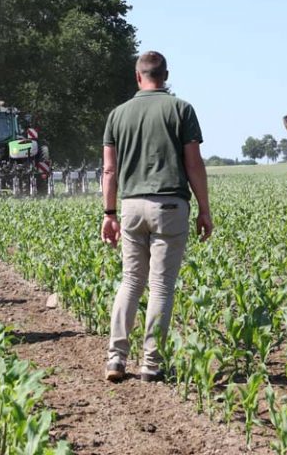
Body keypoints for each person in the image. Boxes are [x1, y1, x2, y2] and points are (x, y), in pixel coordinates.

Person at [100, 50, 213, 383]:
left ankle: (116, 359)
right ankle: (151, 363)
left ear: (138, 76)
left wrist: (109, 213)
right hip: (170, 207)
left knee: (131, 282)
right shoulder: (181, 109)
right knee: (161, 287)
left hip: (132, 206)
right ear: (166, 75)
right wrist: (204, 209)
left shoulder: (117, 115)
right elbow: (193, 163)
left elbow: (109, 169)